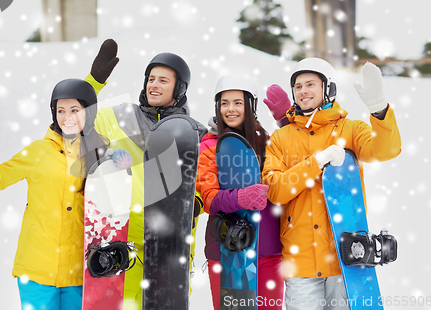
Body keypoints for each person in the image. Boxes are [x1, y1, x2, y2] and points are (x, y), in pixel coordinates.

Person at [262, 58, 402, 310]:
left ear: (328, 89)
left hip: (344, 258)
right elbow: (275, 191)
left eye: (310, 84)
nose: (303, 91)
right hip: (300, 261)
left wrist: (379, 111)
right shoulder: (281, 138)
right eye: (298, 86)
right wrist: (316, 162)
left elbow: (386, 150)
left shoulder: (349, 129)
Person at [84, 40, 207, 308]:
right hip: (124, 250)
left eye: (164, 80)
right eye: (151, 78)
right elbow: (76, 121)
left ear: (180, 88)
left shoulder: (195, 133)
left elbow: (210, 183)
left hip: (170, 253)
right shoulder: (122, 116)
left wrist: (194, 201)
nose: (154, 84)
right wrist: (93, 82)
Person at [0, 79, 110, 309]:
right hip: (37, 271)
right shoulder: (38, 151)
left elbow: (114, 207)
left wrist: (118, 166)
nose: (67, 117)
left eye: (75, 110)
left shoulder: (99, 152)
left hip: (80, 272)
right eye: (61, 110)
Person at [196, 75, 291, 309]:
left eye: (238, 102)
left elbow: (297, 156)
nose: (231, 109)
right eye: (224, 103)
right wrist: (240, 197)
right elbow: (208, 197)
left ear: (251, 106)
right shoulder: (209, 145)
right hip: (229, 249)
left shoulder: (269, 142)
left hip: (268, 249)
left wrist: (287, 122)